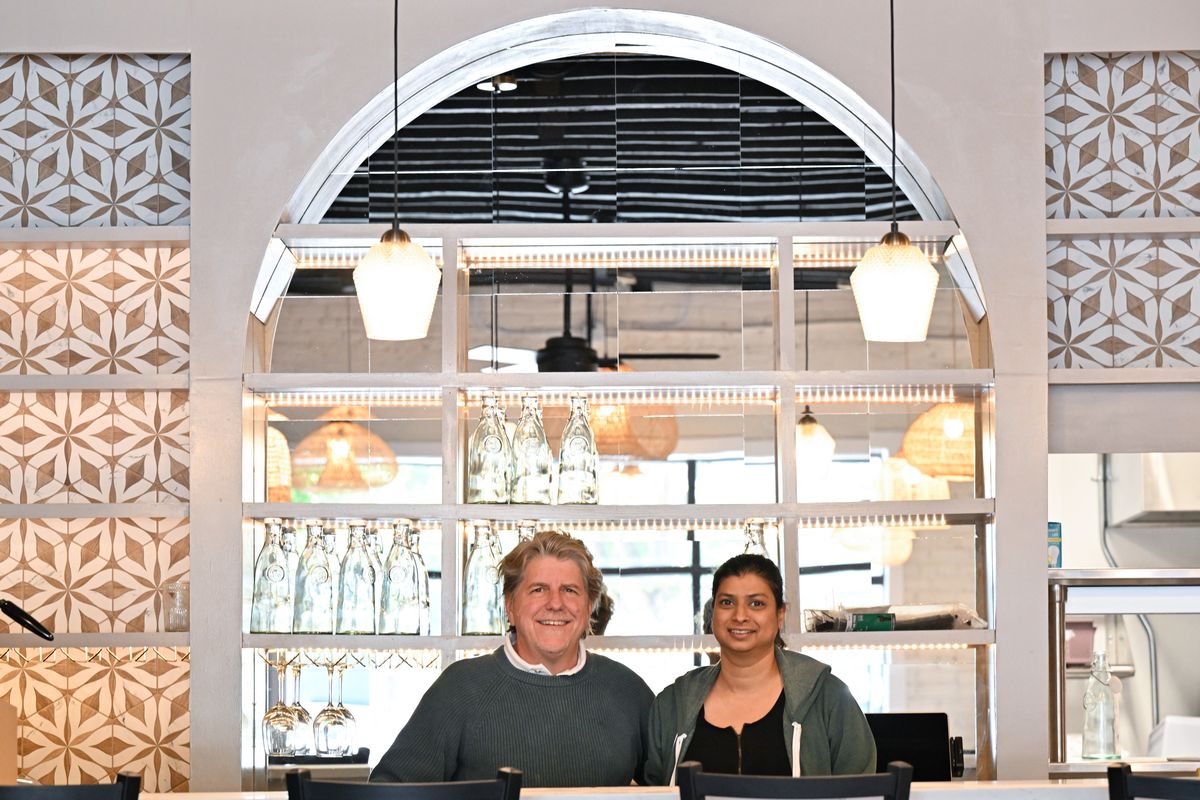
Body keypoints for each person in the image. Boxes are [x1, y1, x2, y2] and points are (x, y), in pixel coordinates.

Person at [371, 530, 654, 786]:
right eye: (538, 589)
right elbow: (388, 790)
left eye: (569, 590)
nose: (555, 603)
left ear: (589, 606)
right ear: (510, 606)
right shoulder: (459, 689)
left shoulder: (627, 690)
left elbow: (677, 787)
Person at [645, 554, 876, 783]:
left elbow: (863, 791)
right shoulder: (671, 704)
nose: (740, 616)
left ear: (780, 615)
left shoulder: (829, 698)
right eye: (727, 602)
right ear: (713, 612)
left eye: (756, 603)